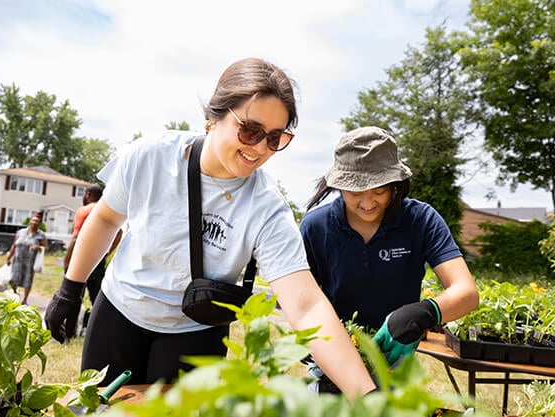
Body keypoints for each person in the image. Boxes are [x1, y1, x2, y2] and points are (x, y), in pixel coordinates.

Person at [44, 57, 376, 399]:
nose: (260, 148)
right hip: (120, 313)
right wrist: (70, 289)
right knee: (100, 407)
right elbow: (106, 219)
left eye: (275, 138)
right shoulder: (150, 157)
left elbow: (305, 304)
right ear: (213, 117)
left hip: (196, 331)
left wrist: (368, 396)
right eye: (250, 130)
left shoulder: (266, 207)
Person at [299, 126, 479, 393]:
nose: (367, 202)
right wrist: (309, 338)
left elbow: (467, 293)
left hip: (395, 360)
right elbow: (300, 301)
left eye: (379, 191)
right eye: (355, 192)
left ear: (395, 185)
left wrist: (421, 313)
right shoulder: (316, 227)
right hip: (332, 357)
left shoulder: (421, 221)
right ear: (339, 185)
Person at [64, 184, 122, 336]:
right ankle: (100, 333)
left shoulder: (84, 210)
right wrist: (107, 251)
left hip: (83, 259)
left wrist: (67, 260)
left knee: (75, 296)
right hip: (100, 260)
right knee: (98, 298)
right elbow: (119, 232)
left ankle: (69, 333)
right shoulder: (105, 208)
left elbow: (76, 237)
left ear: (88, 194)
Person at [6, 213, 48, 305]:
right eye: (33, 220)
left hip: (30, 262)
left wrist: (38, 247)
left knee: (27, 280)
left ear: (40, 223)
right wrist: (9, 257)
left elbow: (46, 248)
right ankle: (15, 293)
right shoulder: (21, 232)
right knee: (13, 279)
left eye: (37, 221)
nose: (34, 222)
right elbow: (14, 245)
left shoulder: (41, 235)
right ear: (30, 221)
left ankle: (25, 300)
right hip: (17, 260)